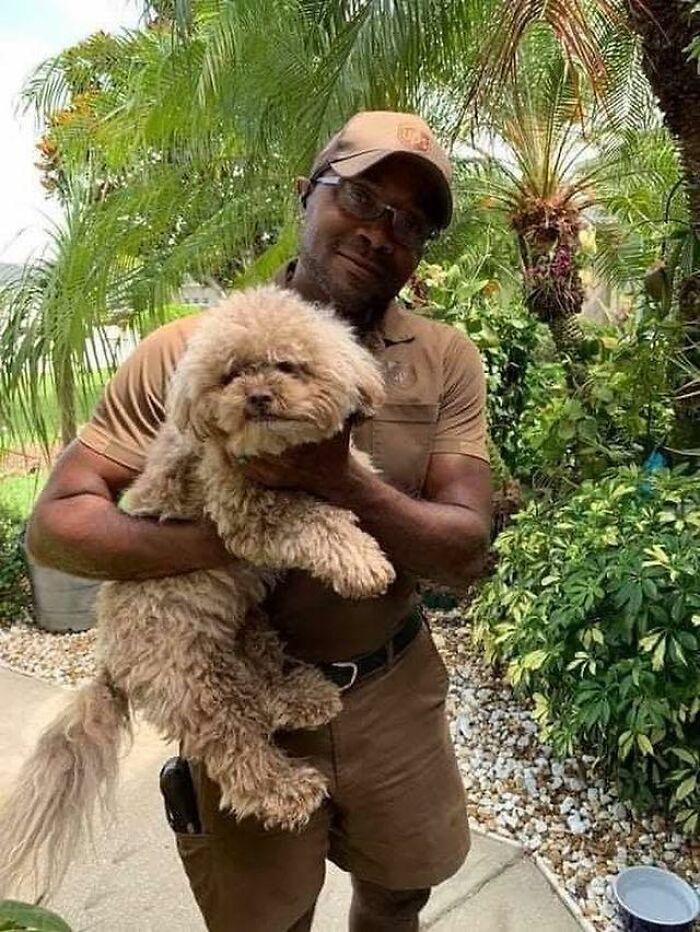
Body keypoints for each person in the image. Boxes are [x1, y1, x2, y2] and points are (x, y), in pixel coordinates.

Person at [26, 110, 492, 932]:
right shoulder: (186, 353)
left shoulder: (443, 356)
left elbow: (464, 551)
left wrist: (338, 484)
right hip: (238, 682)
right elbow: (59, 527)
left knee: (400, 891)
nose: (383, 231)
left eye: (410, 222)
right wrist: (230, 542)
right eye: (361, 196)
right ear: (306, 194)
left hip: (393, 686)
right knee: (266, 921)